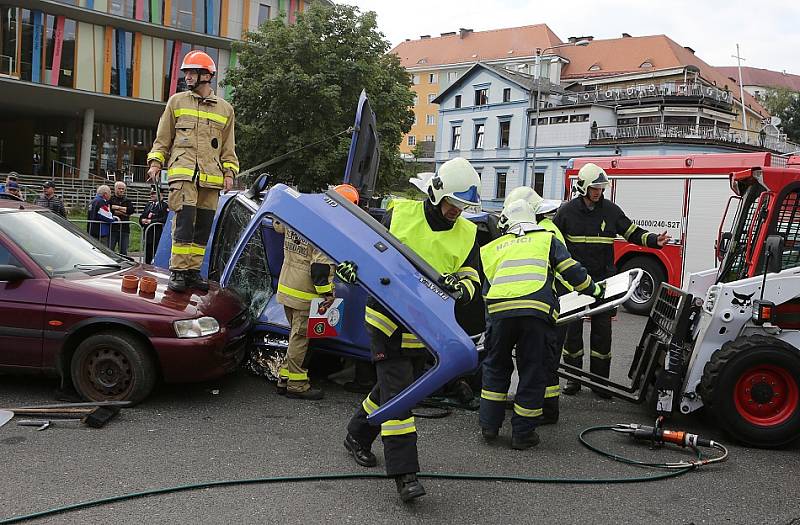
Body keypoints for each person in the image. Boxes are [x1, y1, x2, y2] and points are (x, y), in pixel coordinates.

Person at [342, 157, 482, 503]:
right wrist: (350, 269)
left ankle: (357, 433)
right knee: (399, 393)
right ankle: (405, 475)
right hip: (387, 321)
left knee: (397, 388)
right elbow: (363, 249)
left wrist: (464, 288)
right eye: (454, 204)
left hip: (426, 326)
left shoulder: (468, 232)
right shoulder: (401, 214)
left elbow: (473, 274)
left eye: (463, 207)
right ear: (437, 194)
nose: (457, 212)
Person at [479, 199, 603, 450]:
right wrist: (595, 290)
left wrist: (491, 325)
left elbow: (486, 291)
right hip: (536, 312)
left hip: (499, 313)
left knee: (495, 366)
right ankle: (522, 434)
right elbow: (573, 273)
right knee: (533, 370)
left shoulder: (494, 247)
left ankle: (489, 426)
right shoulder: (546, 239)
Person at [553, 163, 670, 396]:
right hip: (572, 284)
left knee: (602, 333)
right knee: (572, 335)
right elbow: (553, 242)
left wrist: (654, 240)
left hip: (603, 284)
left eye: (601, 188)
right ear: (583, 187)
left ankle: (599, 383)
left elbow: (632, 231)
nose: (598, 192)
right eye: (594, 188)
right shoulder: (566, 212)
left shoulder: (611, 211)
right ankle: (573, 380)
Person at [146, 50, 239, 293]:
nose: (187, 76)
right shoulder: (176, 102)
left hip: (211, 178)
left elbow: (229, 147)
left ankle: (192, 271)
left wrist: (229, 173)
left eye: (192, 72)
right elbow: (163, 138)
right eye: (186, 72)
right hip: (183, 175)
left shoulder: (225, 109)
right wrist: (156, 163)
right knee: (184, 224)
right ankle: (178, 270)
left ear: (207, 76)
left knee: (203, 228)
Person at [272, 184, 360, 400]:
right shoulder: (327, 230)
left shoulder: (302, 219)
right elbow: (319, 270)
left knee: (295, 336)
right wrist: (328, 295)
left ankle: (284, 378)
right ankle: (297, 384)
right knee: (301, 339)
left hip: (287, 287)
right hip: (305, 293)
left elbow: (277, 225)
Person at [501, 186, 566, 424]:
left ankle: (547, 411)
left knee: (543, 361)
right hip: (548, 303)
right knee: (543, 359)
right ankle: (542, 406)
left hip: (547, 305)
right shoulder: (546, 229)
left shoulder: (543, 233)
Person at [140, 187, 169, 264]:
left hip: (157, 234)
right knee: (147, 255)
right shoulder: (149, 205)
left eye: (154, 193)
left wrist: (151, 221)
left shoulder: (164, 205)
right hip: (148, 234)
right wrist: (142, 220)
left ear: (161, 195)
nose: (151, 195)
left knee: (155, 255)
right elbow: (142, 216)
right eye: (151, 193)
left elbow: (164, 218)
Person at [108, 181, 135, 255]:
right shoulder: (110, 199)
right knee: (110, 250)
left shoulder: (127, 200)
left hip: (124, 229)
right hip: (112, 229)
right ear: (115, 189)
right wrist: (124, 211)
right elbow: (110, 210)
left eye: (123, 189)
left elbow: (131, 210)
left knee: (123, 252)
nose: (121, 190)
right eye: (119, 188)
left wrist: (117, 208)